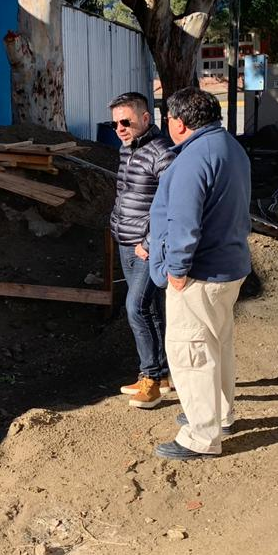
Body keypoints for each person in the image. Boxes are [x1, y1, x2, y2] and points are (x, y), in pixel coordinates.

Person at [148, 87, 251, 459]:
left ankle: (202, 436)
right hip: (227, 266)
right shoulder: (229, 147)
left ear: (178, 122)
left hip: (199, 273)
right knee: (217, 345)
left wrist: (175, 268)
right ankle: (219, 415)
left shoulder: (194, 159)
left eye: (168, 119)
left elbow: (185, 223)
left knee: (190, 351)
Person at [108, 91, 175, 410]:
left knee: (135, 307)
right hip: (125, 241)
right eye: (115, 124)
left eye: (126, 121)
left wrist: (149, 242)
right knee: (148, 309)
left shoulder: (161, 151)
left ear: (146, 118)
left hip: (147, 247)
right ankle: (161, 374)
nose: (120, 128)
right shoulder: (126, 149)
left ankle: (150, 380)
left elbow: (171, 203)